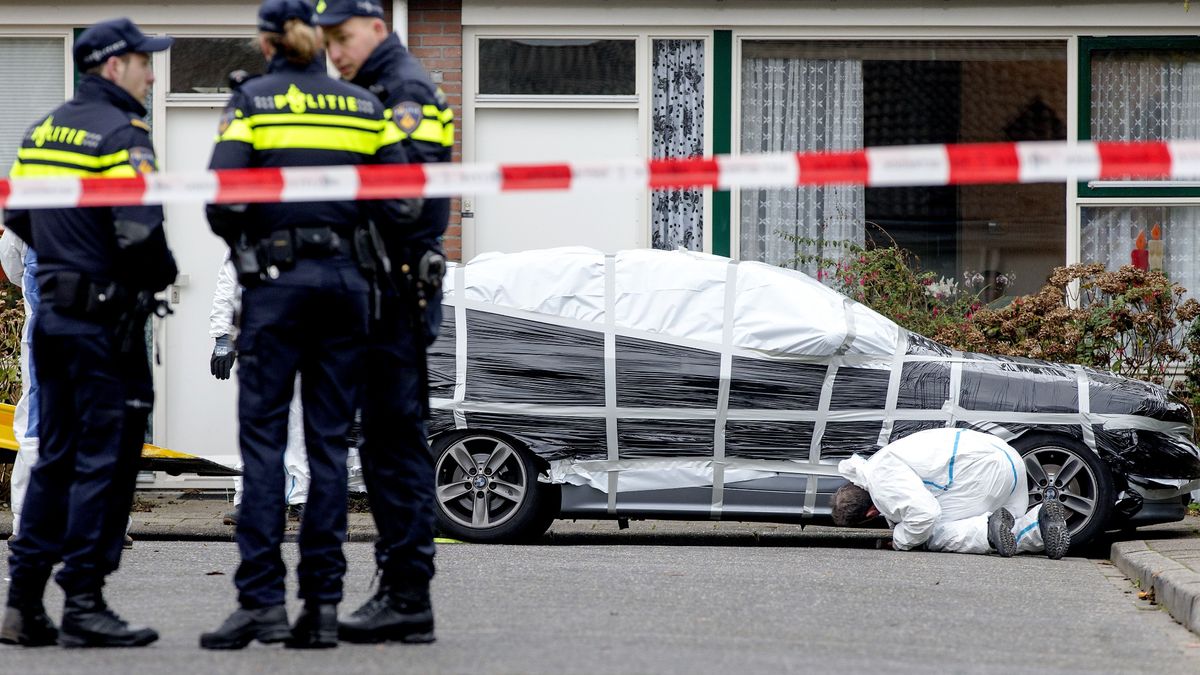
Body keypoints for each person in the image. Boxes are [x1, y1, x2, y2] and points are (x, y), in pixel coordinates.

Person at [198, 0, 417, 651]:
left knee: (264, 448)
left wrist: (254, 242)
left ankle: (261, 602)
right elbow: (404, 198)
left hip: (274, 288)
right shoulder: (363, 105)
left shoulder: (254, 103)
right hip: (346, 289)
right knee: (327, 449)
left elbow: (221, 195)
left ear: (267, 44)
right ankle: (321, 607)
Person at [0, 17, 177, 648]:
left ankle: (22, 603)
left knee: (53, 453)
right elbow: (141, 230)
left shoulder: (43, 130)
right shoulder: (122, 133)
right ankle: (85, 603)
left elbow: (17, 219)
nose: (152, 74)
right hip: (107, 323)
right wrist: (164, 275)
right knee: (108, 460)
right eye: (143, 62)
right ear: (113, 65)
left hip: (53, 318)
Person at [315, 0, 453, 645]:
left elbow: (407, 199)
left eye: (342, 39)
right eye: (327, 42)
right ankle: (400, 589)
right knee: (384, 443)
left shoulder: (403, 89)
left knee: (396, 444)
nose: (335, 53)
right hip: (377, 290)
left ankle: (406, 596)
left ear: (377, 27)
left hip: (395, 291)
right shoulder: (370, 88)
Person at [832, 428, 1071, 560]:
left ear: (871, 511)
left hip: (984, 474)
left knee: (930, 534)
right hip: (1008, 458)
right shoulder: (879, 461)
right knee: (1009, 527)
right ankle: (1039, 523)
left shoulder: (881, 481)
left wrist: (900, 541)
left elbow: (924, 516)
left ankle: (988, 530)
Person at [208, 256, 309, 525]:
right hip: (262, 346)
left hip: (298, 343)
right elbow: (229, 286)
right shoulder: (249, 242)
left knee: (297, 424)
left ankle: (300, 498)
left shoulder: (303, 240)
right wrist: (222, 338)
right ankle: (252, 499)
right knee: (258, 425)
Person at [1, 232, 39, 540]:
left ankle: (29, 521)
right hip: (96, 332)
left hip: (43, 331)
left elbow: (12, 264)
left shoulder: (27, 203)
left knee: (34, 425)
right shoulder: (101, 201)